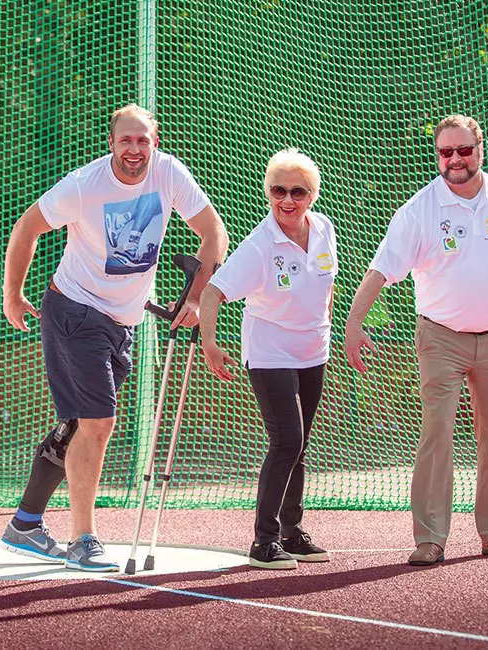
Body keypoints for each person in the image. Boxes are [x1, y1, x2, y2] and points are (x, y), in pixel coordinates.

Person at [0, 103, 228, 571]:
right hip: (74, 311)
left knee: (78, 425)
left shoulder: (169, 175)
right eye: (126, 140)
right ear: (111, 143)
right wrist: (12, 294)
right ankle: (83, 539)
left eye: (143, 140)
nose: (134, 148)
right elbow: (27, 228)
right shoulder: (84, 186)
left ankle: (24, 524)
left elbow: (213, 233)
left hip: (122, 322)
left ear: (155, 143)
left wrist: (194, 296)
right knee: (98, 424)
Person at [344, 115, 488, 566]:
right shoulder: (418, 210)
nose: (455, 160)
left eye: (463, 150)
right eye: (445, 152)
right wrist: (354, 323)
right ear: (438, 156)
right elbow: (381, 269)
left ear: (480, 148)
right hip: (440, 337)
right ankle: (430, 538)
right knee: (437, 432)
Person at [199, 149, 336, 570]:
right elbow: (212, 292)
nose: (287, 200)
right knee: (287, 441)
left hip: (313, 352)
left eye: (298, 191)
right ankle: (264, 541)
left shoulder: (325, 229)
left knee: (301, 446)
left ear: (312, 194)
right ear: (268, 192)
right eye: (278, 190)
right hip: (269, 354)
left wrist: (326, 327)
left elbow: (326, 285)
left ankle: (293, 534)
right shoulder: (259, 246)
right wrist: (210, 343)